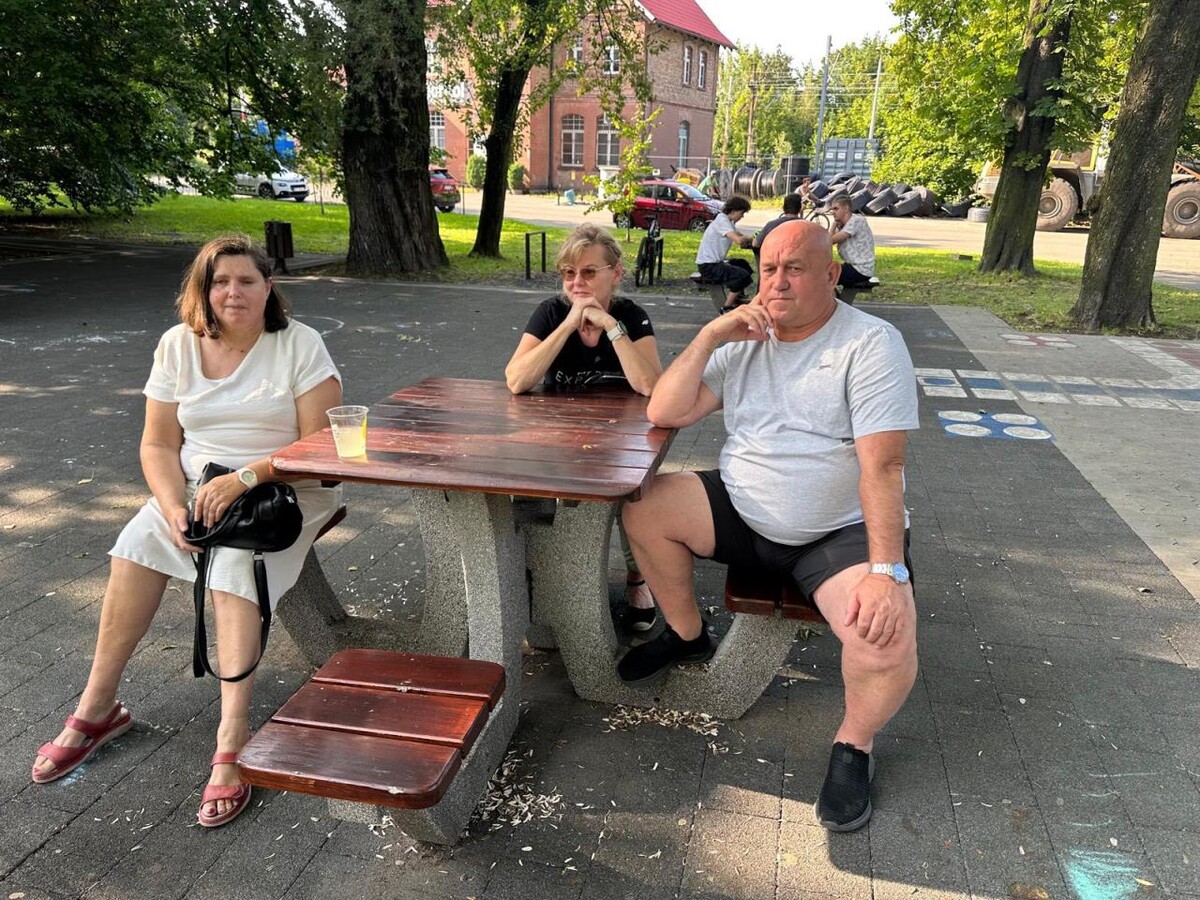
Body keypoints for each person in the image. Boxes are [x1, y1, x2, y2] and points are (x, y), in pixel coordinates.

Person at [30, 235, 344, 829]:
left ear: (269, 287)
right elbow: (157, 444)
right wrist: (174, 506)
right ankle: (98, 707)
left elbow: (320, 449)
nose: (233, 292)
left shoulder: (299, 344)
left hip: (283, 492)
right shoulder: (177, 345)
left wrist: (246, 477)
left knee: (232, 568)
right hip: (198, 491)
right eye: (220, 282)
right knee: (135, 546)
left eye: (246, 281)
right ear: (203, 290)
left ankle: (232, 738)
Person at [618, 219, 919, 833]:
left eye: (795, 269)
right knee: (644, 505)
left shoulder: (870, 343)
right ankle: (687, 634)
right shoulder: (745, 338)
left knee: (883, 639)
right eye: (769, 269)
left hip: (836, 533)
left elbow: (884, 466)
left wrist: (886, 571)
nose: (777, 283)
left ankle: (854, 745)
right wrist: (711, 333)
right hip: (743, 507)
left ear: (832, 274)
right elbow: (665, 409)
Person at [505, 223, 663, 630]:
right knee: (520, 487)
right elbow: (517, 380)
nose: (577, 282)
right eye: (569, 273)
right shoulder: (551, 312)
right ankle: (539, 575)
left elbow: (650, 385)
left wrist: (609, 326)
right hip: (558, 439)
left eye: (589, 272)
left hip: (620, 439)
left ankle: (638, 576)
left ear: (616, 272)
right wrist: (567, 325)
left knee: (636, 494)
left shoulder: (631, 316)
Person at [696, 196, 755, 312]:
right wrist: (753, 238)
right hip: (708, 266)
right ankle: (726, 308)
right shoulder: (722, 221)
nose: (742, 216)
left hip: (714, 263)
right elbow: (738, 240)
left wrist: (752, 238)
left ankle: (737, 296)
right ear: (733, 211)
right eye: (742, 213)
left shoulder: (728, 221)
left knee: (743, 264)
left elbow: (741, 236)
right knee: (743, 276)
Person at [829, 195, 878, 289]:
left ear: (846, 208)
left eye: (836, 209)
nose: (833, 212)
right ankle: (832, 297)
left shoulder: (856, 221)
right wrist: (835, 223)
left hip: (861, 270)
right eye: (832, 209)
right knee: (824, 272)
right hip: (853, 267)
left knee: (823, 275)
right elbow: (828, 241)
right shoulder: (844, 224)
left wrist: (834, 224)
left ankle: (831, 298)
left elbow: (830, 241)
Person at [752, 192, 804, 264]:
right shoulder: (806, 227)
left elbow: (755, 244)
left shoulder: (771, 225)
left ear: (784, 207)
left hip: (775, 261)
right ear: (800, 208)